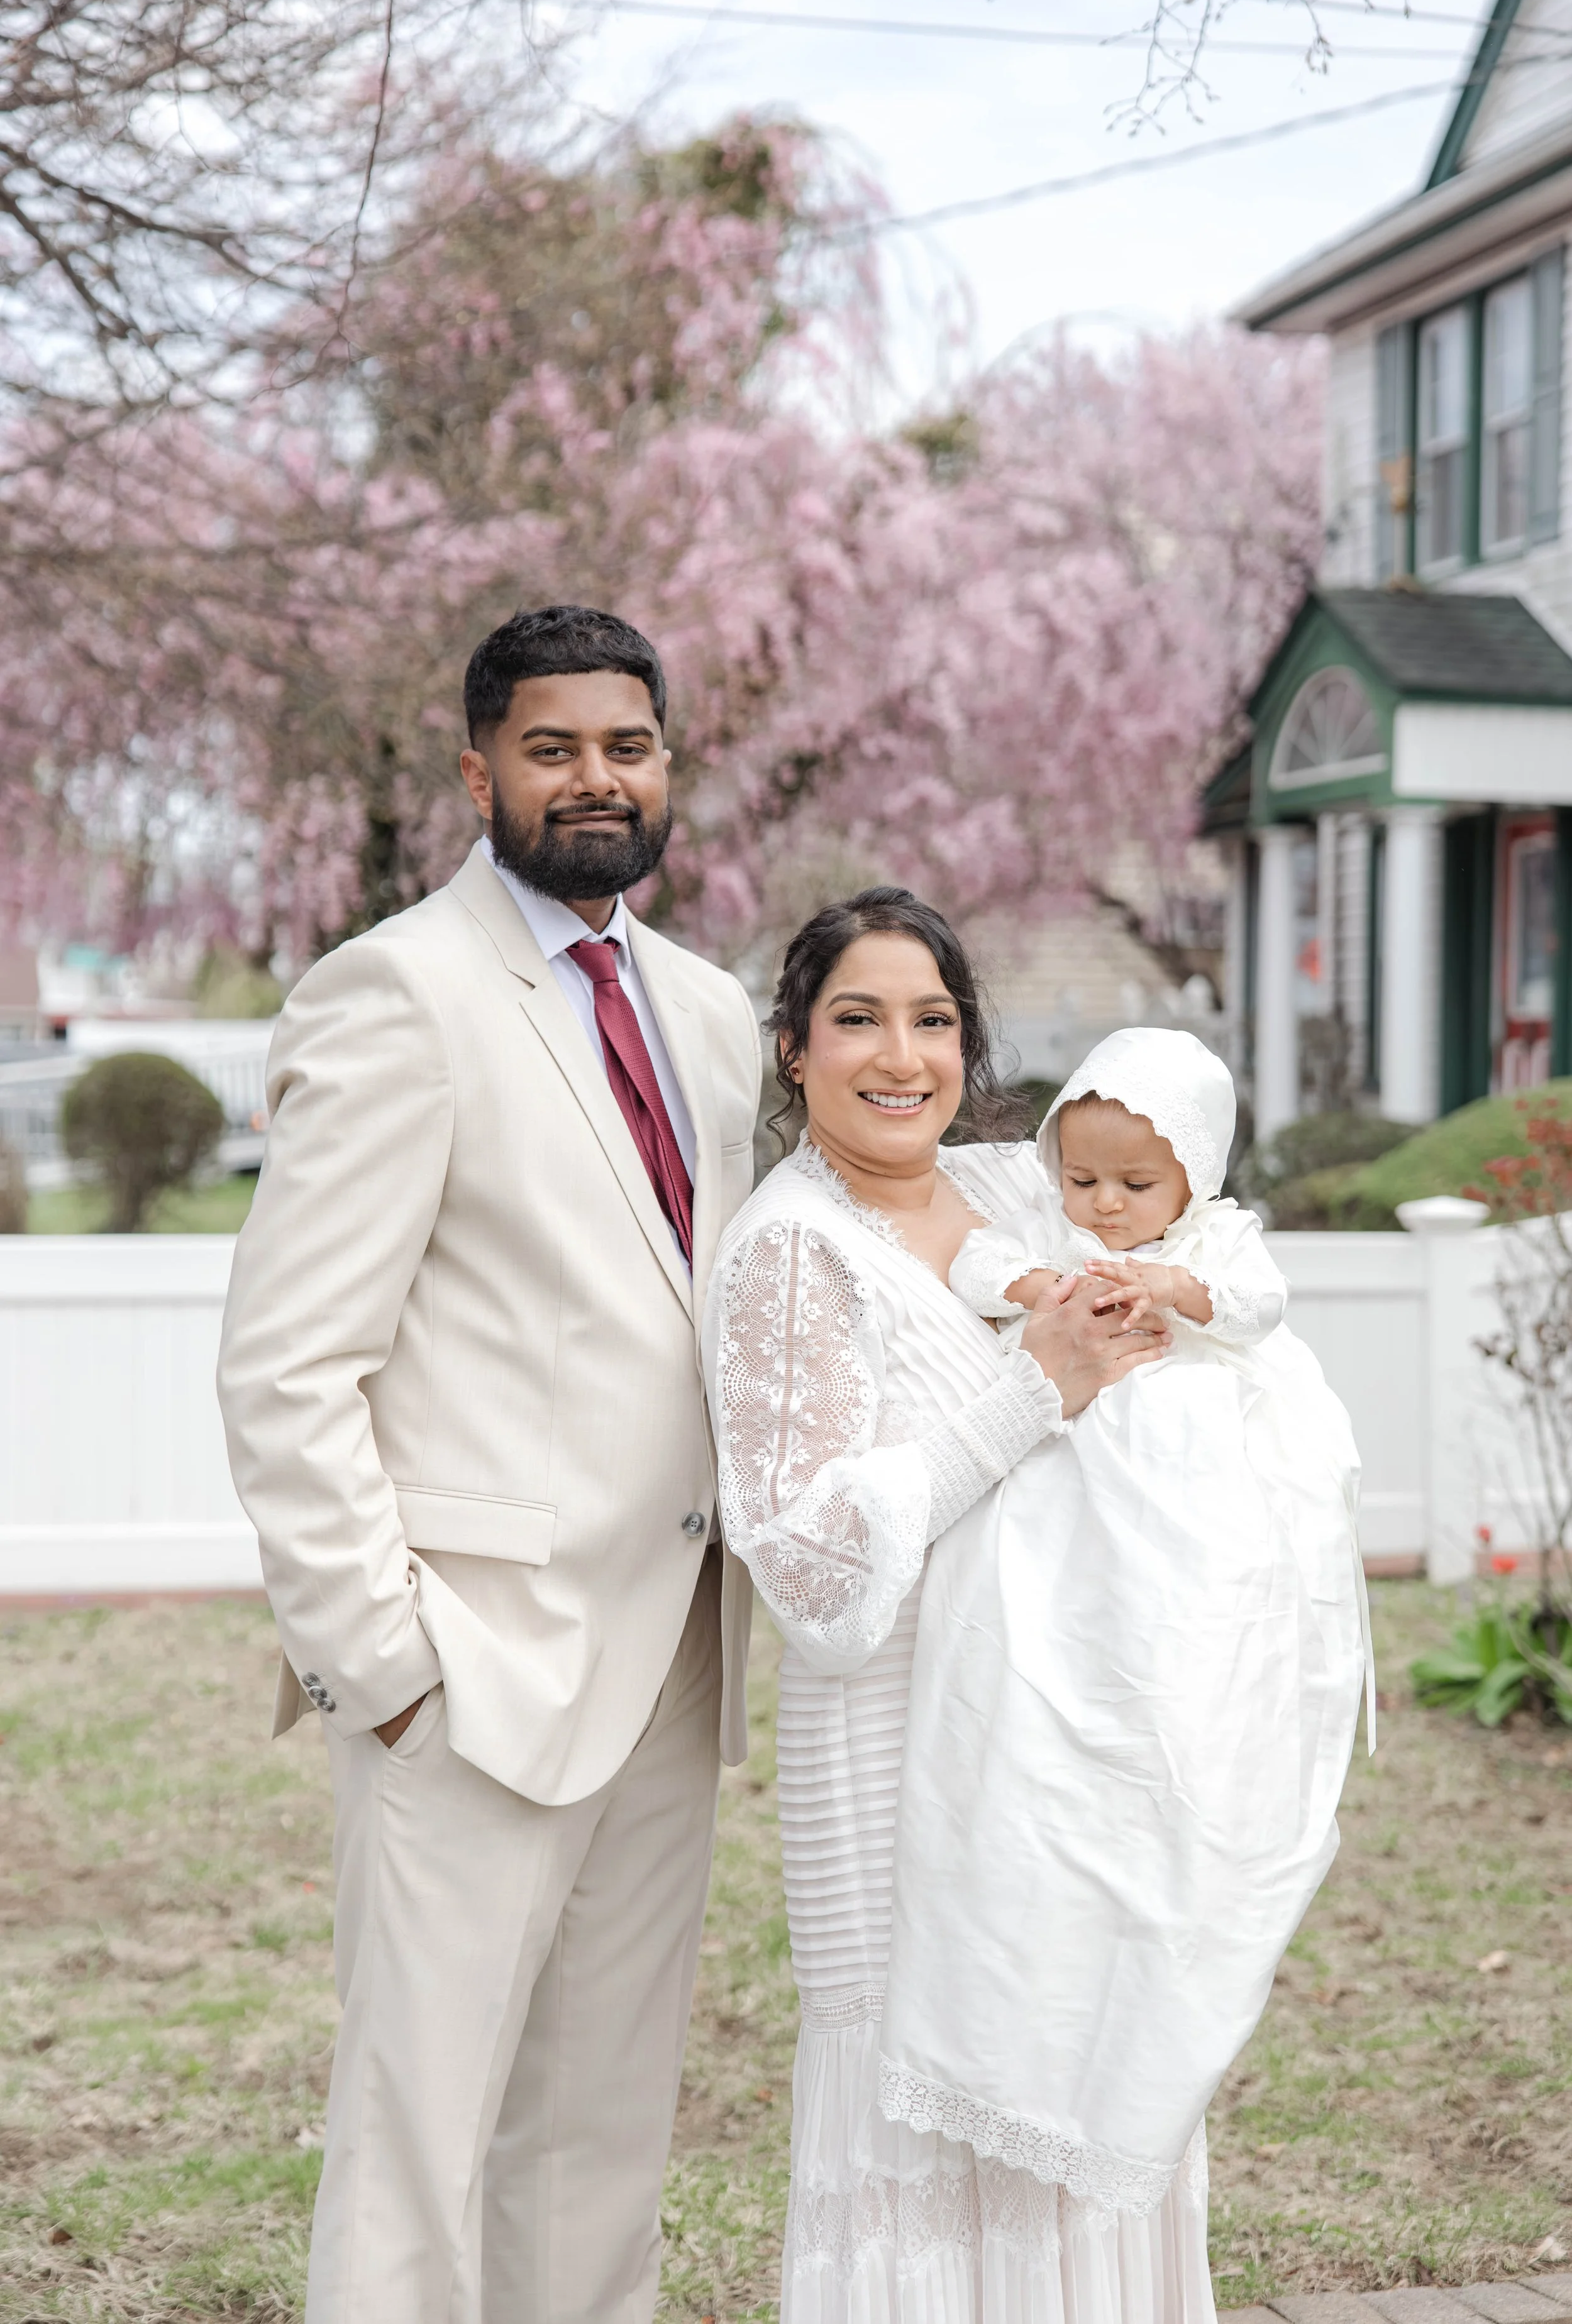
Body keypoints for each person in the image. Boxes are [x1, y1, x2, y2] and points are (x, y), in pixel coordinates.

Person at [216, 604, 762, 2324]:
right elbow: (290, 1363)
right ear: (479, 772)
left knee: (598, 2134)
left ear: (665, 765)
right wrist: (379, 1664)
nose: (595, 777)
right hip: (466, 1668)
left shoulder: (710, 1009)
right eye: (552, 746)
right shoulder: (396, 991)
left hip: (673, 1657)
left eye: (627, 744)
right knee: (416, 2138)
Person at [701, 887, 1174, 2323]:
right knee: (940, 2133)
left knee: (1083, 2117)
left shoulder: (1029, 1192)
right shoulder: (790, 1256)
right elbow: (813, 1578)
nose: (897, 1054)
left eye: (930, 1019)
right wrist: (1034, 1389)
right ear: (793, 1049)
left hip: (1070, 1752)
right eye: (855, 1019)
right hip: (902, 1768)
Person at [878, 1028, 1371, 2308]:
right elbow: (981, 1261)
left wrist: (1174, 1295)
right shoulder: (1051, 1232)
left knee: (1181, 1633)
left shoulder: (1213, 1243)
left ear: (1190, 1177)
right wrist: (1040, 1285)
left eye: (1129, 1188)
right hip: (1071, 1479)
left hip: (1183, 1480)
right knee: (1038, 1620)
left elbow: (1259, 1305)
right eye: (1082, 1179)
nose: (1101, 1207)